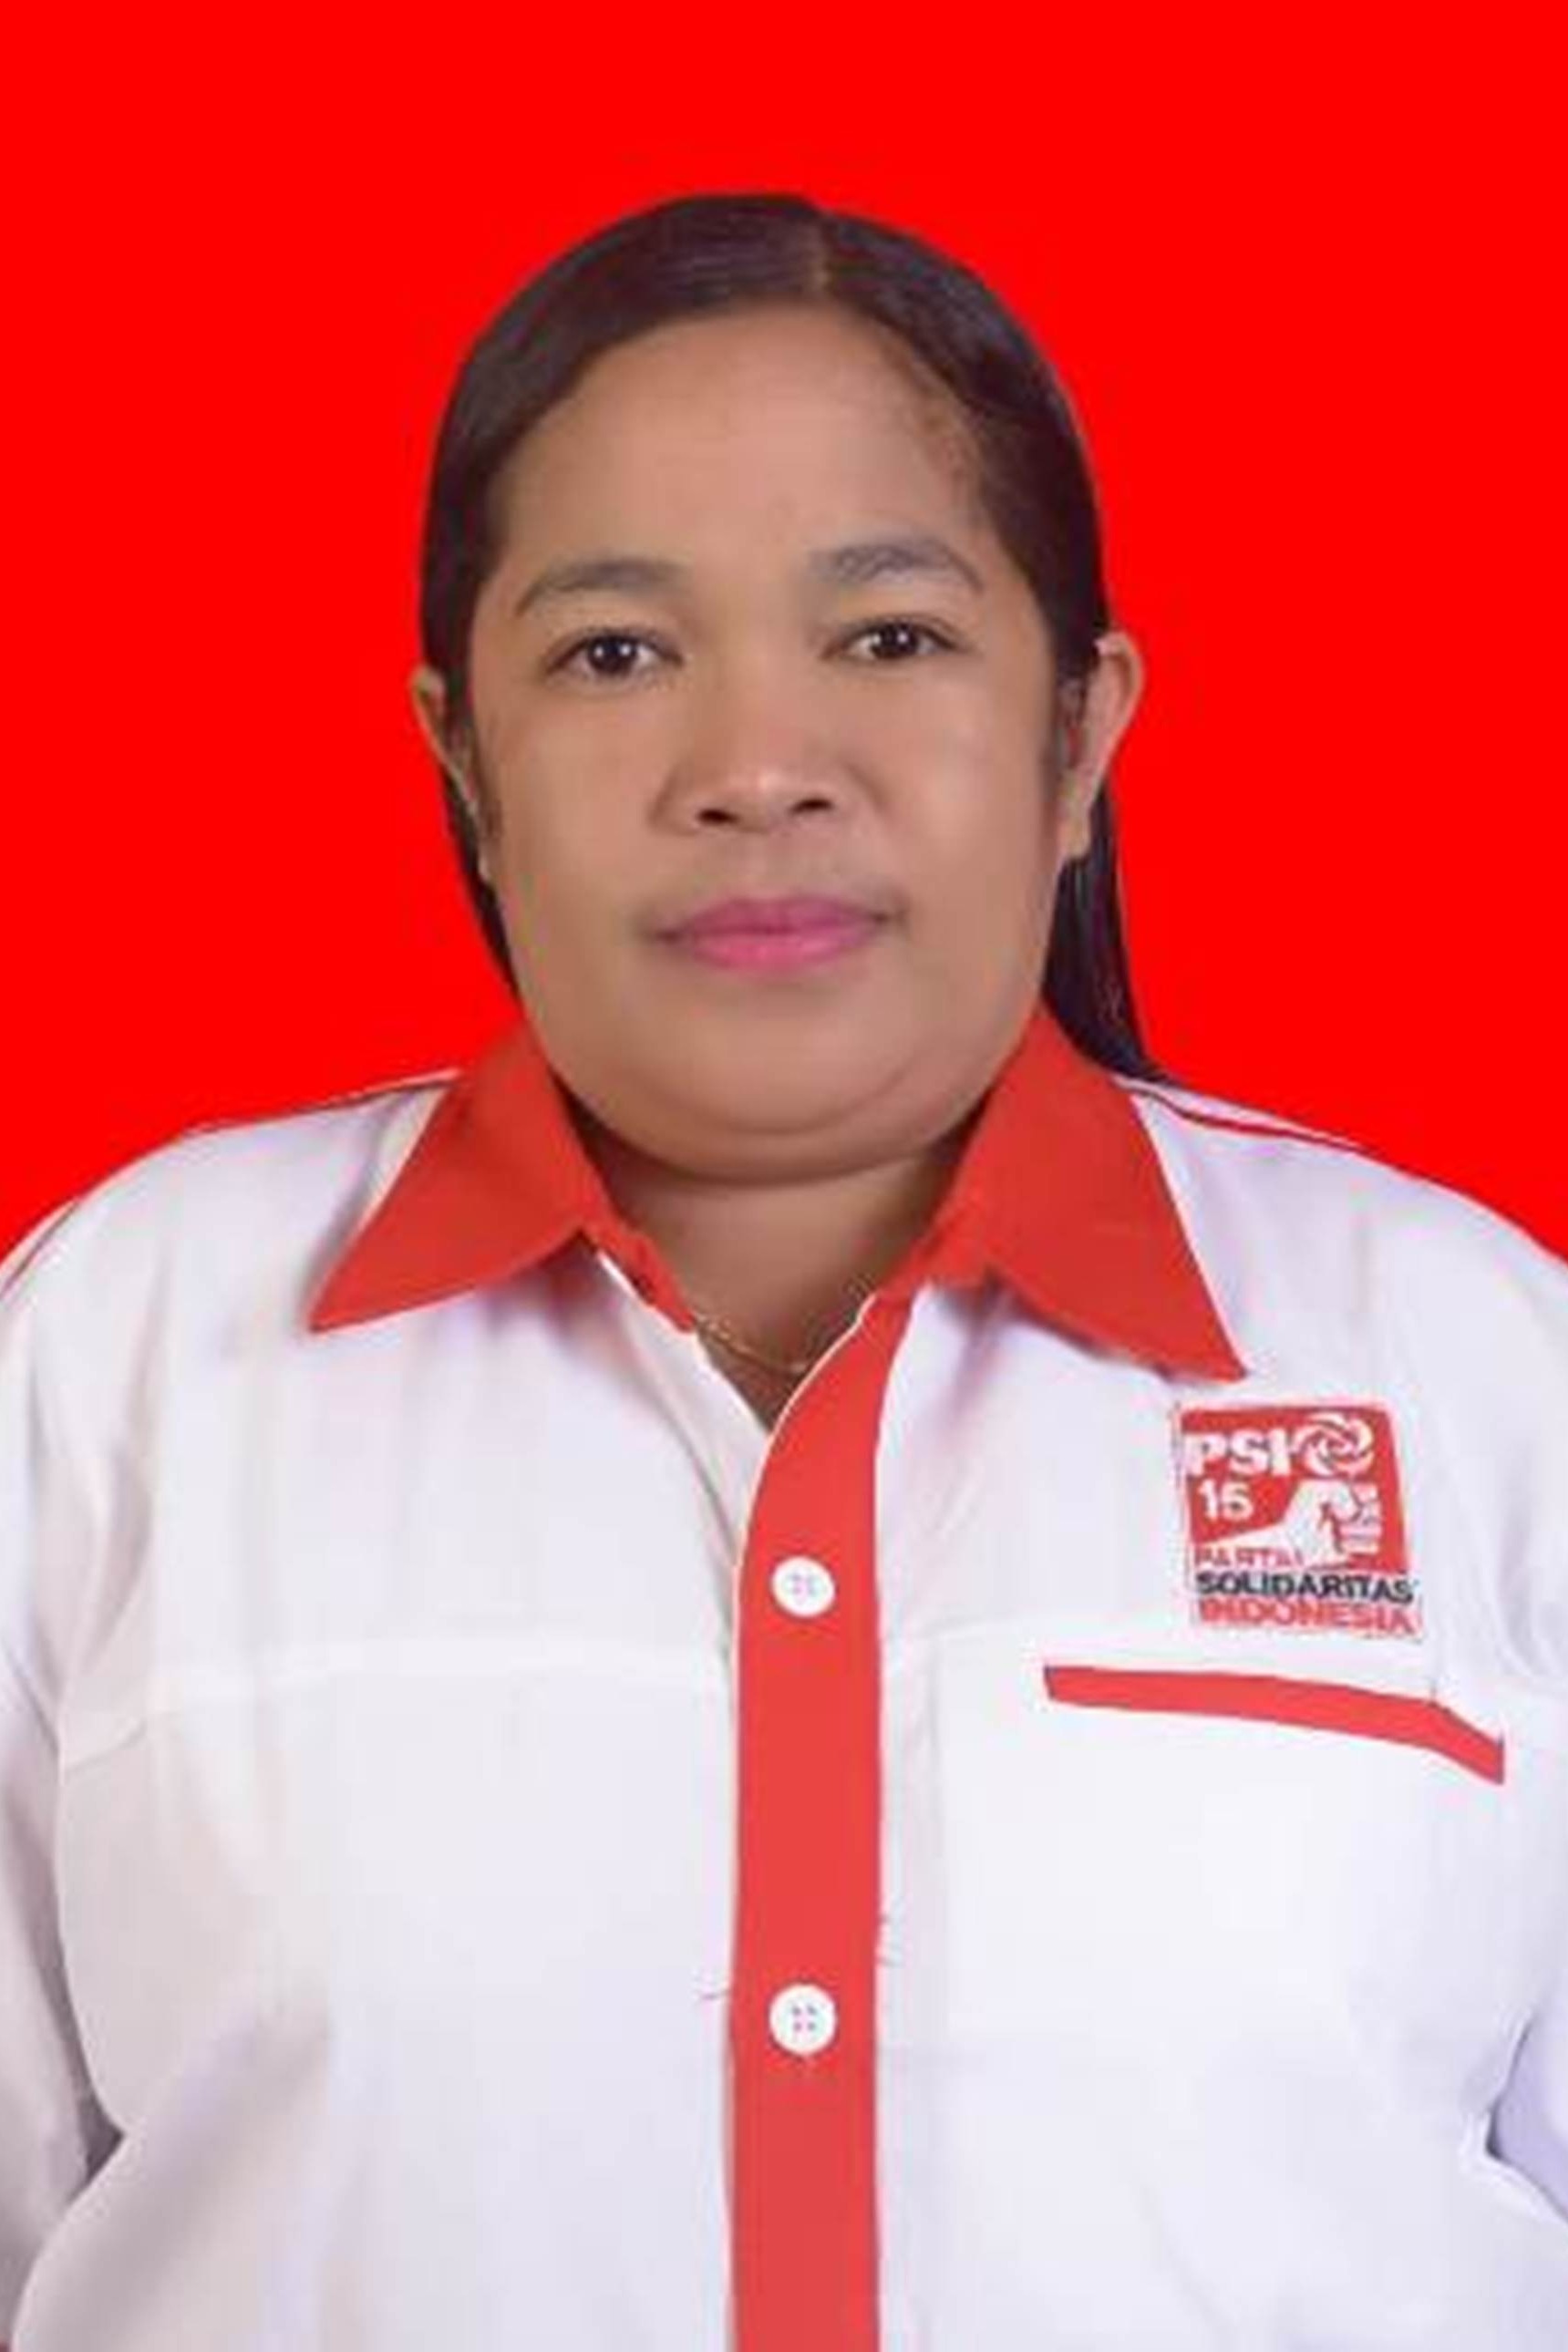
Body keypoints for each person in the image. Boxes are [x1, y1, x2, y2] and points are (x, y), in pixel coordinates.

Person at [2, 189, 1565, 2352]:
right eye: (613, 653)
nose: (752, 772)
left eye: (890, 638)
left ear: (1080, 732)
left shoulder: (1472, 1370)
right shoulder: (116, 1357)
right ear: (463, 759)